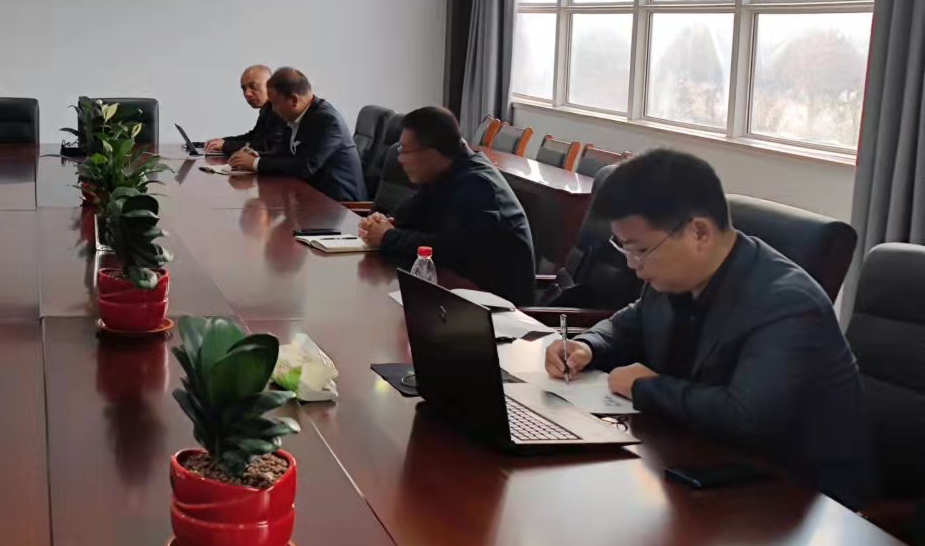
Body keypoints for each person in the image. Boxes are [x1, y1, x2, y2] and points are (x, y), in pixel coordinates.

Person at [544, 149, 876, 509]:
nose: (632, 266)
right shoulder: (676, 275)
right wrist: (588, 345)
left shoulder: (788, 304)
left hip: (797, 502)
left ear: (698, 233)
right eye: (625, 249)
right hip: (704, 465)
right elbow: (631, 322)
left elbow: (746, 418)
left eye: (640, 251)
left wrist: (644, 387)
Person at [357, 106, 535, 302]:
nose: (400, 159)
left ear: (432, 154)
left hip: (497, 307)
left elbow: (451, 248)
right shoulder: (443, 173)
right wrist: (382, 222)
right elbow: (406, 216)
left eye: (405, 151)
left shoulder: (479, 185)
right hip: (457, 292)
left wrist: (387, 237)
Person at [228, 67, 367, 203]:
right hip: (309, 196)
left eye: (275, 103)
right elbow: (285, 153)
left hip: (340, 205)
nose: (273, 110)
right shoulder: (295, 116)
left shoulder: (327, 121)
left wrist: (255, 163)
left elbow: (306, 166)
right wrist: (257, 156)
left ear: (294, 100)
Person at [206, 64, 287, 156]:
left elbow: (268, 145)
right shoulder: (268, 108)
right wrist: (223, 141)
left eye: (253, 86)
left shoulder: (283, 109)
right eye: (244, 88)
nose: (247, 93)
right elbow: (253, 137)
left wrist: (226, 145)